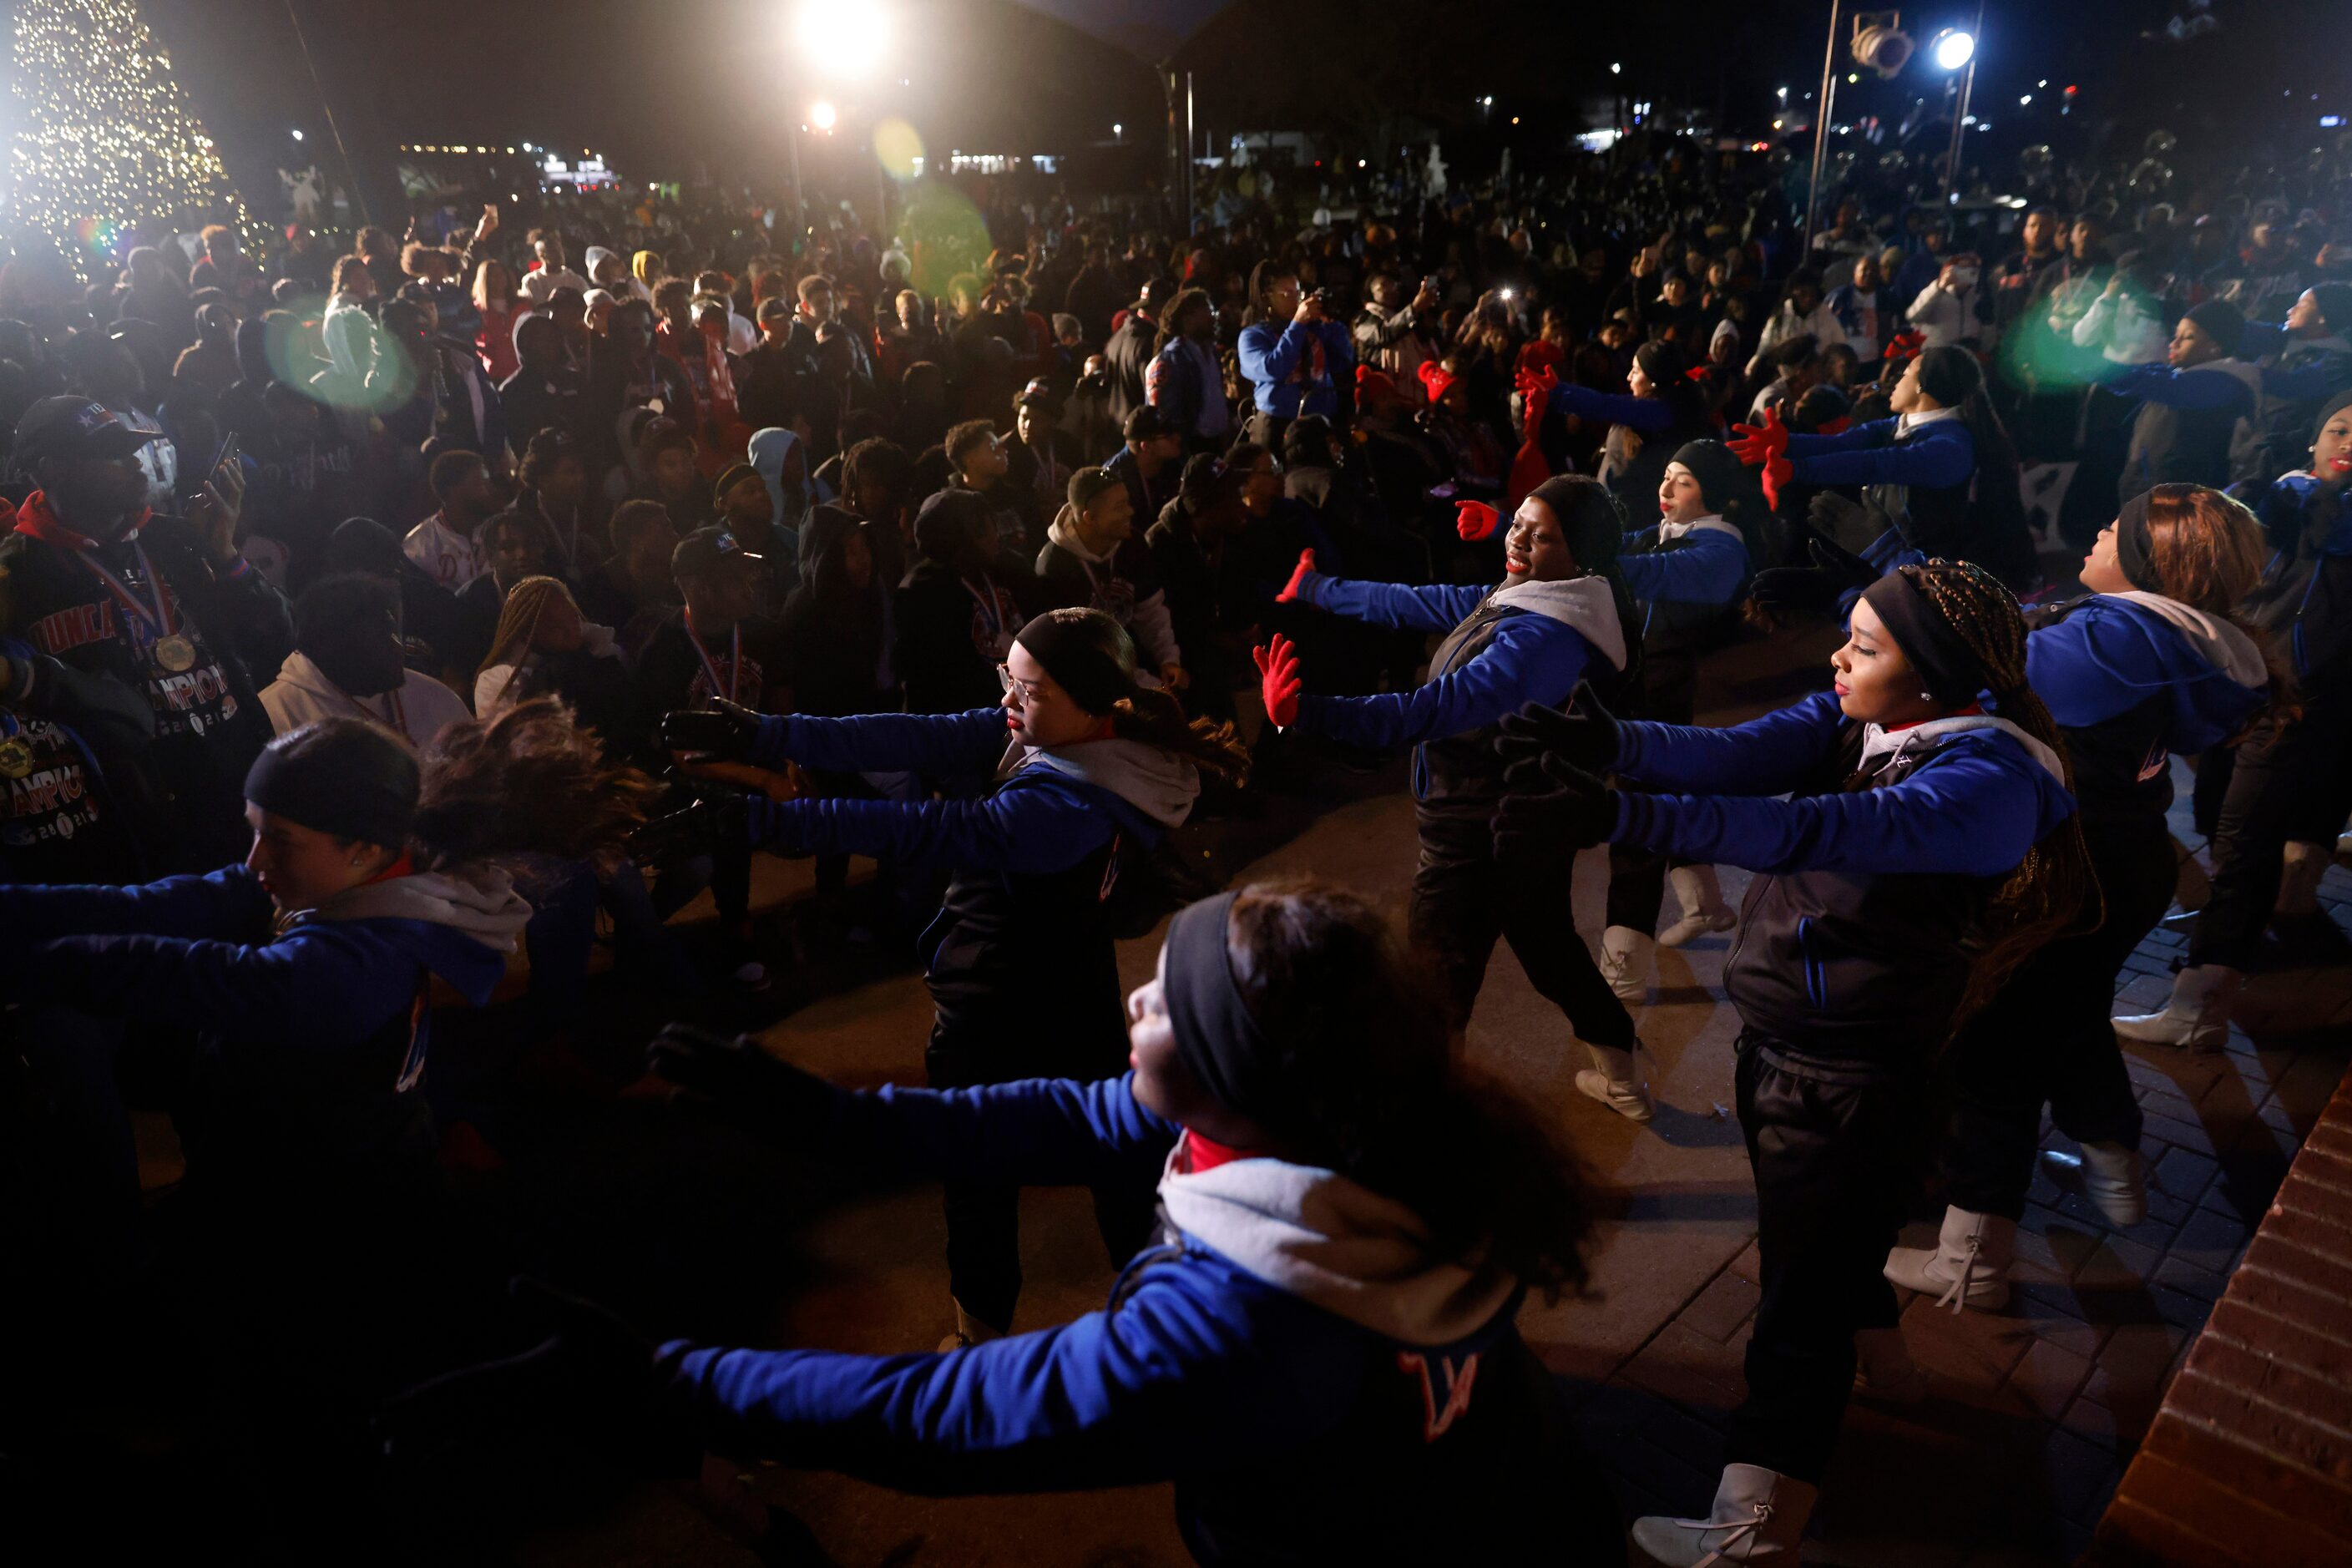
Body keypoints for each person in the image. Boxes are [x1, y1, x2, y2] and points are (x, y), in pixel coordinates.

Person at [382, 878, 1623, 1565]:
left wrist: (662, 1379)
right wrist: (831, 1118)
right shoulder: (1352, 1122)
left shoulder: (1250, 1324)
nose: (1138, 989)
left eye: (1169, 997)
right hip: (1497, 1502)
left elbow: (951, 1414)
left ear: (1234, 1070)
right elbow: (1055, 1117)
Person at [1495, 560, 2085, 1563]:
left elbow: (1813, 826)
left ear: (1936, 671)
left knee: (1797, 1302)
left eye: (1862, 644)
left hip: (1857, 1073)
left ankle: (1757, 1520)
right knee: (1820, 1241)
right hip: (1797, 1047)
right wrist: (1611, 744)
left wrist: (1624, 815)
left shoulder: (1989, 784)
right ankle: (1890, 1372)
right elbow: (1740, 756)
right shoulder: (1877, 716)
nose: (1836, 656)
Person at [0, 705, 650, 1535]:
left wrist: (30, 958)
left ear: (366, 848)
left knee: (327, 1443)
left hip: (332, 1244)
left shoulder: (353, 966)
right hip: (302, 1213)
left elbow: (162, 968)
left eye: (279, 840)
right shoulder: (362, 878)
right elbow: (154, 905)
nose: (253, 861)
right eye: (254, 830)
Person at [651, 607, 1250, 1345]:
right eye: (1008, 680)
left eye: (1027, 692)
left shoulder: (1065, 806)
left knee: (984, 1177)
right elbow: (916, 732)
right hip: (1073, 978)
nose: (1006, 702)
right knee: (1116, 1160)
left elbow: (925, 831)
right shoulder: (1091, 738)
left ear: (1092, 701)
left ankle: (1006, 1341)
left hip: (997, 1002)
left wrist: (766, 825)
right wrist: (770, 733)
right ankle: (1168, 1318)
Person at [1891, 486, 2274, 1309]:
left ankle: (1972, 1260)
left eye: (2114, 526)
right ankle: (2112, 1154)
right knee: (2068, 1009)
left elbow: (1977, 671)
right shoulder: (2184, 640)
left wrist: (1907, 603)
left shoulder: (2113, 634)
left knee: (1997, 1046)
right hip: (2129, 861)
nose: (2098, 530)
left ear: (2152, 559)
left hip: (2066, 867)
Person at [1257, 475, 1648, 1116]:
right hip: (1517, 819)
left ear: (1578, 553)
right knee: (1550, 954)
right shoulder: (1535, 598)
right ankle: (1623, 1079)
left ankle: (1433, 1129)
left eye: (1538, 533)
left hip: (1477, 831)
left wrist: (1308, 711)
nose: (1516, 537)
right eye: (1515, 521)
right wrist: (1316, 589)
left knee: (1431, 989)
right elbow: (1411, 603)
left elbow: (1435, 708)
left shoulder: (1543, 639)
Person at [2117, 393, 2352, 1044]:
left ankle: (2197, 1009)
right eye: (2337, 427)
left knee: (2242, 842)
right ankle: (2285, 909)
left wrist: (2321, 499)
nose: (2347, 442)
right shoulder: (2280, 500)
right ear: (2311, 439)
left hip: (2307, 703)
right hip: (2250, 683)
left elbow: (2336, 535)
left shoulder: (2326, 510)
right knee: (2227, 817)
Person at [0, 397, 288, 873]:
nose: (134, 461)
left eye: (132, 448)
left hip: (245, 793)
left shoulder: (179, 538)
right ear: (51, 469)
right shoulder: (18, 577)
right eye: (110, 452)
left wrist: (225, 555)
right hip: (147, 830)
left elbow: (276, 639)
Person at [1596, 441, 1759, 1003]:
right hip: (1641, 694)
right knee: (1665, 797)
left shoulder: (1717, 550)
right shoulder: (1666, 533)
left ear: (1710, 492)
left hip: (1660, 697)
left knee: (1636, 823)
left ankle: (1622, 967)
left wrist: (1552, 544)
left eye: (1682, 481)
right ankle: (1705, 906)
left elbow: (1635, 572)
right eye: (1665, 477)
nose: (1664, 490)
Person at [1733, 346, 2037, 591]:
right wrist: (1786, 442)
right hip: (1892, 560)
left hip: (1928, 574)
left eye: (1904, 374)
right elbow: (1846, 443)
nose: (1895, 381)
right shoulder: (1904, 424)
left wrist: (1796, 470)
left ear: (1922, 385)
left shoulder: (1950, 446)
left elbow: (1874, 463)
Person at [261, 573, 470, 748]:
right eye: (380, 638)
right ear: (331, 645)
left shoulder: (437, 698)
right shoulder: (275, 713)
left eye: (396, 632)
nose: (399, 647)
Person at [2100, 299, 2264, 503]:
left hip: (2179, 500)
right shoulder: (2183, 372)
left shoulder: (2222, 385)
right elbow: (2146, 373)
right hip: (2150, 486)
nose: (2173, 344)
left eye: (2187, 338)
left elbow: (2153, 383)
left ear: (2215, 346)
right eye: (2175, 335)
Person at [1039, 466, 1184, 690]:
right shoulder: (1054, 567)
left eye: (1127, 502)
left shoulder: (1131, 542)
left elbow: (1150, 609)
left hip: (1132, 655)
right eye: (1119, 507)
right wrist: (1148, 689)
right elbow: (1083, 652)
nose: (1130, 512)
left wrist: (1168, 659)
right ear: (1089, 518)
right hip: (1093, 677)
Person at [897, 490, 1036, 717]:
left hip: (1022, 706)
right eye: (985, 529)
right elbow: (928, 681)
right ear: (963, 536)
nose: (996, 535)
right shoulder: (923, 591)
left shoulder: (1008, 569)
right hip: (962, 720)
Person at [1236, 264, 1353, 448]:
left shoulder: (1312, 329)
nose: (1296, 300)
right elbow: (1275, 369)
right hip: (1279, 424)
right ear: (1267, 298)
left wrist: (1330, 323)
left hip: (1323, 419)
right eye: (1288, 294)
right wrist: (1297, 324)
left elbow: (1343, 360)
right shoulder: (1253, 336)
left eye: (1298, 293)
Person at [575, 498, 680, 655]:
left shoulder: (678, 576)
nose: (676, 536)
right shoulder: (599, 588)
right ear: (637, 540)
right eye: (665, 529)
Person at [1145, 287, 1232, 453]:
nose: (1214, 318)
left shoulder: (1211, 351)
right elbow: (1167, 413)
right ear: (1188, 318)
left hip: (1216, 443)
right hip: (1192, 446)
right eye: (1208, 312)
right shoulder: (1172, 359)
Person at [402, 448, 494, 591]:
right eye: (478, 483)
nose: (487, 491)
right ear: (452, 489)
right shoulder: (419, 545)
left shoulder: (501, 530)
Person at [1103, 276, 1170, 426]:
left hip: (1118, 427)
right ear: (1163, 307)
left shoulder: (1117, 337)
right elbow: (1153, 394)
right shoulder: (1151, 341)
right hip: (1141, 431)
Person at [1104, 402, 1185, 524]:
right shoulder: (1114, 481)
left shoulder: (1174, 465)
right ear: (1146, 446)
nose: (1178, 438)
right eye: (1168, 436)